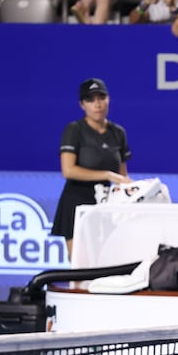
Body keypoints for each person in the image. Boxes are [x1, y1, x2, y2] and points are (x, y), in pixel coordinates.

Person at [52, 78, 131, 259]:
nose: (97, 104)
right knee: (81, 264)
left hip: (106, 206)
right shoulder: (74, 130)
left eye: (101, 98)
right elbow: (68, 170)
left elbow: (123, 176)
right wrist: (106, 175)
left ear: (108, 99)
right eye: (90, 100)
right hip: (76, 203)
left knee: (105, 262)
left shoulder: (118, 133)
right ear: (82, 105)